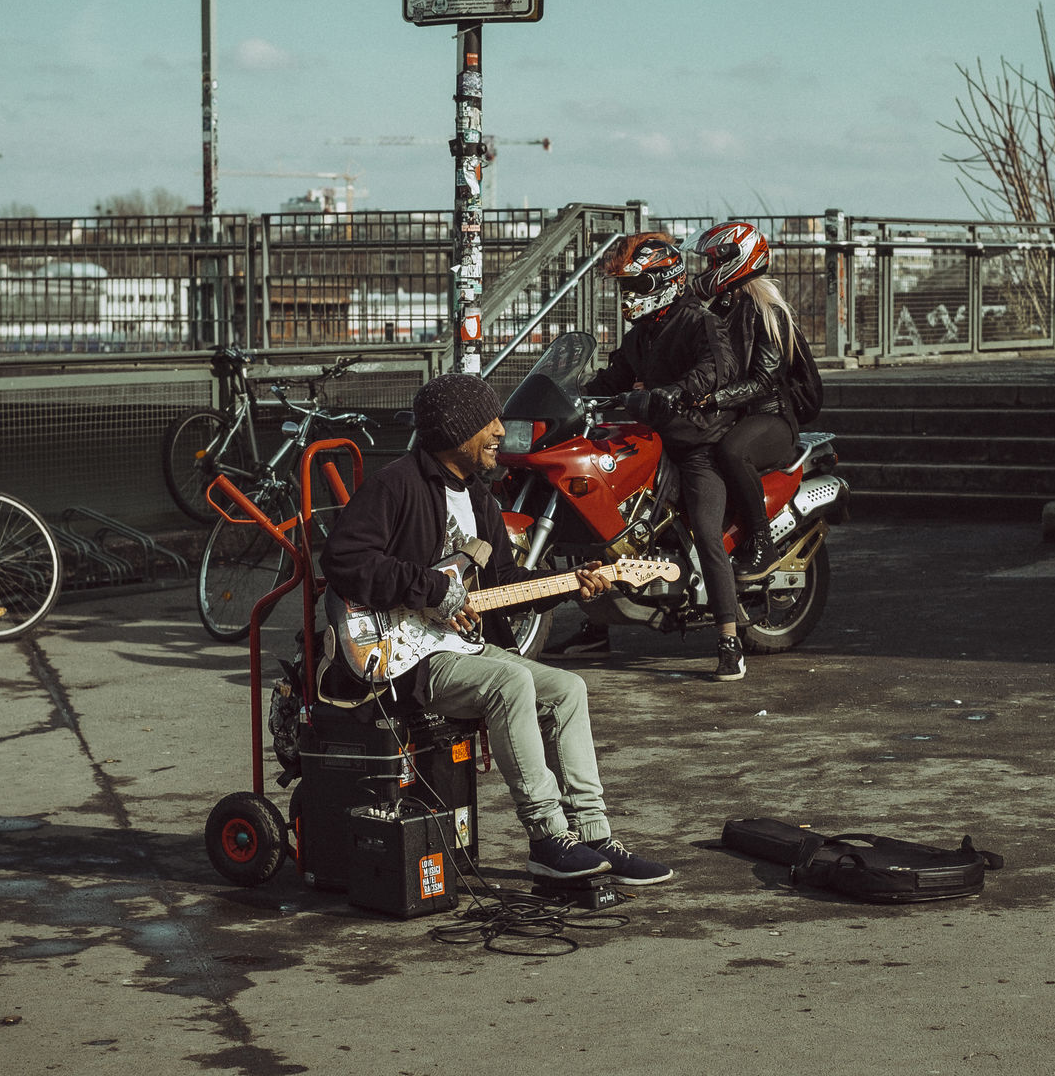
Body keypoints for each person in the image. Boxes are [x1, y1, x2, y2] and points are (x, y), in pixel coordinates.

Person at [319, 371, 673, 886]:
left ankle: (594, 835)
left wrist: (574, 584)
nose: (498, 433)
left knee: (569, 688)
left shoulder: (481, 499)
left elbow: (504, 584)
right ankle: (548, 838)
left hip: (461, 646)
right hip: (410, 660)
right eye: (487, 423)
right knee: (513, 684)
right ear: (456, 432)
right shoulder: (395, 485)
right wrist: (434, 590)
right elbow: (344, 562)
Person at [583, 232, 748, 683]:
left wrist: (676, 392)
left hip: (697, 444)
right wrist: (569, 394)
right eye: (624, 288)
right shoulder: (642, 334)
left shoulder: (699, 322)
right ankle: (593, 626)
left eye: (635, 287)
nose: (627, 297)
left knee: (707, 533)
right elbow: (612, 376)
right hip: (650, 442)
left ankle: (729, 639)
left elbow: (718, 369)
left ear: (664, 281)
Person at [687, 222, 800, 584]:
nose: (706, 271)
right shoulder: (720, 307)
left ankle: (762, 542)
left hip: (768, 416)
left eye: (712, 262)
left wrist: (715, 398)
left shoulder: (768, 310)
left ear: (737, 260)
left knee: (733, 452)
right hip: (731, 412)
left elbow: (764, 380)